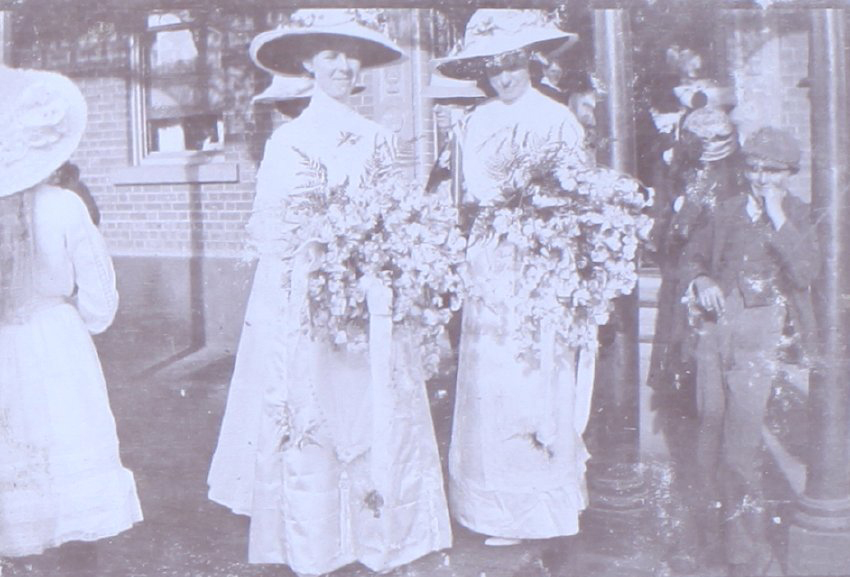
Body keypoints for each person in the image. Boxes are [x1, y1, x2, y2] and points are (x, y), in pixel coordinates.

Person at [207, 10, 452, 576]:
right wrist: (320, 257)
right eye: (329, 55)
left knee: (373, 406)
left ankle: (378, 532)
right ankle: (317, 540)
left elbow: (396, 218)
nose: (342, 66)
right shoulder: (288, 141)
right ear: (307, 63)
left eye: (350, 55)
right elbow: (270, 229)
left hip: (369, 299)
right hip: (311, 301)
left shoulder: (379, 139)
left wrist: (383, 259)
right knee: (316, 410)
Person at [436, 9, 594, 546]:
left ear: (529, 60)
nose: (504, 77)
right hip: (489, 262)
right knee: (491, 376)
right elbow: (462, 197)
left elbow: (578, 195)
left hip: (540, 262)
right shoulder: (472, 123)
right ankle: (489, 508)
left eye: (512, 64)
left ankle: (539, 503)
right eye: (494, 67)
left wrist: (547, 228)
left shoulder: (557, 118)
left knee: (534, 371)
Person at [0, 67, 142, 564]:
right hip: (55, 342)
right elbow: (100, 296)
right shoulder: (63, 204)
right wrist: (80, 321)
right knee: (69, 458)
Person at [684, 127, 818, 576]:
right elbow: (693, 257)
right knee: (708, 436)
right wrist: (701, 281)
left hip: (766, 338)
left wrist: (778, 216)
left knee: (741, 447)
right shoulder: (724, 212)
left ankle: (748, 556)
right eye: (754, 169)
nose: (761, 180)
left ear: (789, 174)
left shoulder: (800, 213)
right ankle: (714, 546)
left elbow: (805, 273)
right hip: (716, 332)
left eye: (773, 172)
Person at [50, 161, 100, 226]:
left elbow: (94, 216)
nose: (56, 175)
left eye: (58, 172)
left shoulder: (76, 189)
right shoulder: (51, 192)